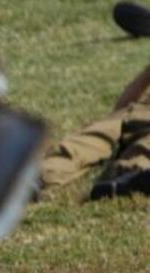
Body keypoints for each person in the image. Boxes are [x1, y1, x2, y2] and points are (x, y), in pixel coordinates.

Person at [39, 63, 150, 199]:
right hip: (130, 111)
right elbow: (120, 107)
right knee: (84, 141)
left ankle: (131, 177)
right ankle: (44, 174)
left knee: (144, 148)